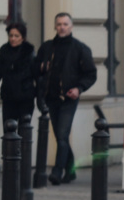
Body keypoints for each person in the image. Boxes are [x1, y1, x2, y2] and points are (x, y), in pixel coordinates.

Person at [35, 12, 97, 184]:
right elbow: (35, 69)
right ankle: (71, 170)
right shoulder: (47, 47)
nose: (62, 27)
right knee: (60, 136)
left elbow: (91, 74)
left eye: (65, 24)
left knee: (62, 135)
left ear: (71, 26)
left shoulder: (80, 48)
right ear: (55, 26)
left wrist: (79, 88)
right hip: (50, 98)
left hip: (68, 99)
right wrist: (41, 67)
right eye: (59, 24)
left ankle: (57, 171)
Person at [0, 22, 38, 126]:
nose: (13, 39)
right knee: (8, 130)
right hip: (9, 97)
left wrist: (40, 99)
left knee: (24, 131)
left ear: (23, 37)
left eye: (16, 36)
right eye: (11, 35)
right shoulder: (4, 51)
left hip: (26, 98)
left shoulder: (29, 52)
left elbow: (37, 76)